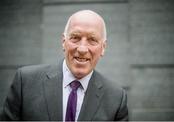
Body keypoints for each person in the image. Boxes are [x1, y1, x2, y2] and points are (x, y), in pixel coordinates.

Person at [0, 10, 128, 121]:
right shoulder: (25, 82)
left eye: (92, 40)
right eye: (75, 37)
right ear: (63, 42)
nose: (82, 49)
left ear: (103, 48)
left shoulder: (116, 98)